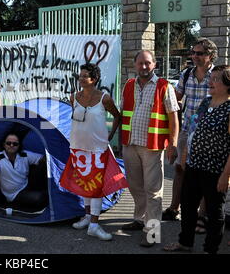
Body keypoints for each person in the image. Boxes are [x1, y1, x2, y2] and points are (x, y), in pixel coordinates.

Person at [164, 65, 230, 254]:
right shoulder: (206, 102)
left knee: (214, 212)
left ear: (227, 84)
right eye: (212, 78)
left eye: (216, 79)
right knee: (187, 205)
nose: (211, 82)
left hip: (216, 169)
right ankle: (185, 242)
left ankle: (210, 249)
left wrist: (226, 175)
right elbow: (193, 129)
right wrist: (185, 155)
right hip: (194, 164)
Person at [120, 50, 179, 247]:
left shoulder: (164, 86)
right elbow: (123, 114)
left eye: (147, 63)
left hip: (152, 147)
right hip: (130, 144)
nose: (144, 67)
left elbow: (173, 118)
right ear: (134, 64)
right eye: (140, 63)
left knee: (153, 191)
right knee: (135, 187)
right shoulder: (128, 85)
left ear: (154, 64)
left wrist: (173, 144)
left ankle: (152, 233)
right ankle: (140, 219)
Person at [163, 38, 217, 229]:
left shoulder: (217, 76)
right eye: (193, 53)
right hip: (187, 129)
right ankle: (173, 208)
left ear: (210, 55)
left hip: (209, 134)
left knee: (204, 173)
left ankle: (201, 215)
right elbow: (176, 98)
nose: (194, 56)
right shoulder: (186, 74)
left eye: (199, 53)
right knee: (180, 169)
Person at [67, 63, 121, 241]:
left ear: (94, 79)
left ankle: (94, 225)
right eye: (80, 76)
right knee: (84, 184)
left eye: (85, 76)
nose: (81, 79)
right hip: (78, 147)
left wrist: (111, 136)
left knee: (96, 186)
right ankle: (88, 217)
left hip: (98, 148)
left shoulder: (104, 98)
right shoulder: (73, 97)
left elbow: (117, 116)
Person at [0, 133, 47, 211]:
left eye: (15, 144)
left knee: (43, 164)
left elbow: (43, 158)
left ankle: (50, 190)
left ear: (19, 145)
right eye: (8, 143)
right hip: (14, 194)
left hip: (26, 184)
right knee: (40, 197)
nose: (11, 145)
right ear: (4, 145)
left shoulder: (23, 154)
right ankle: (19, 204)